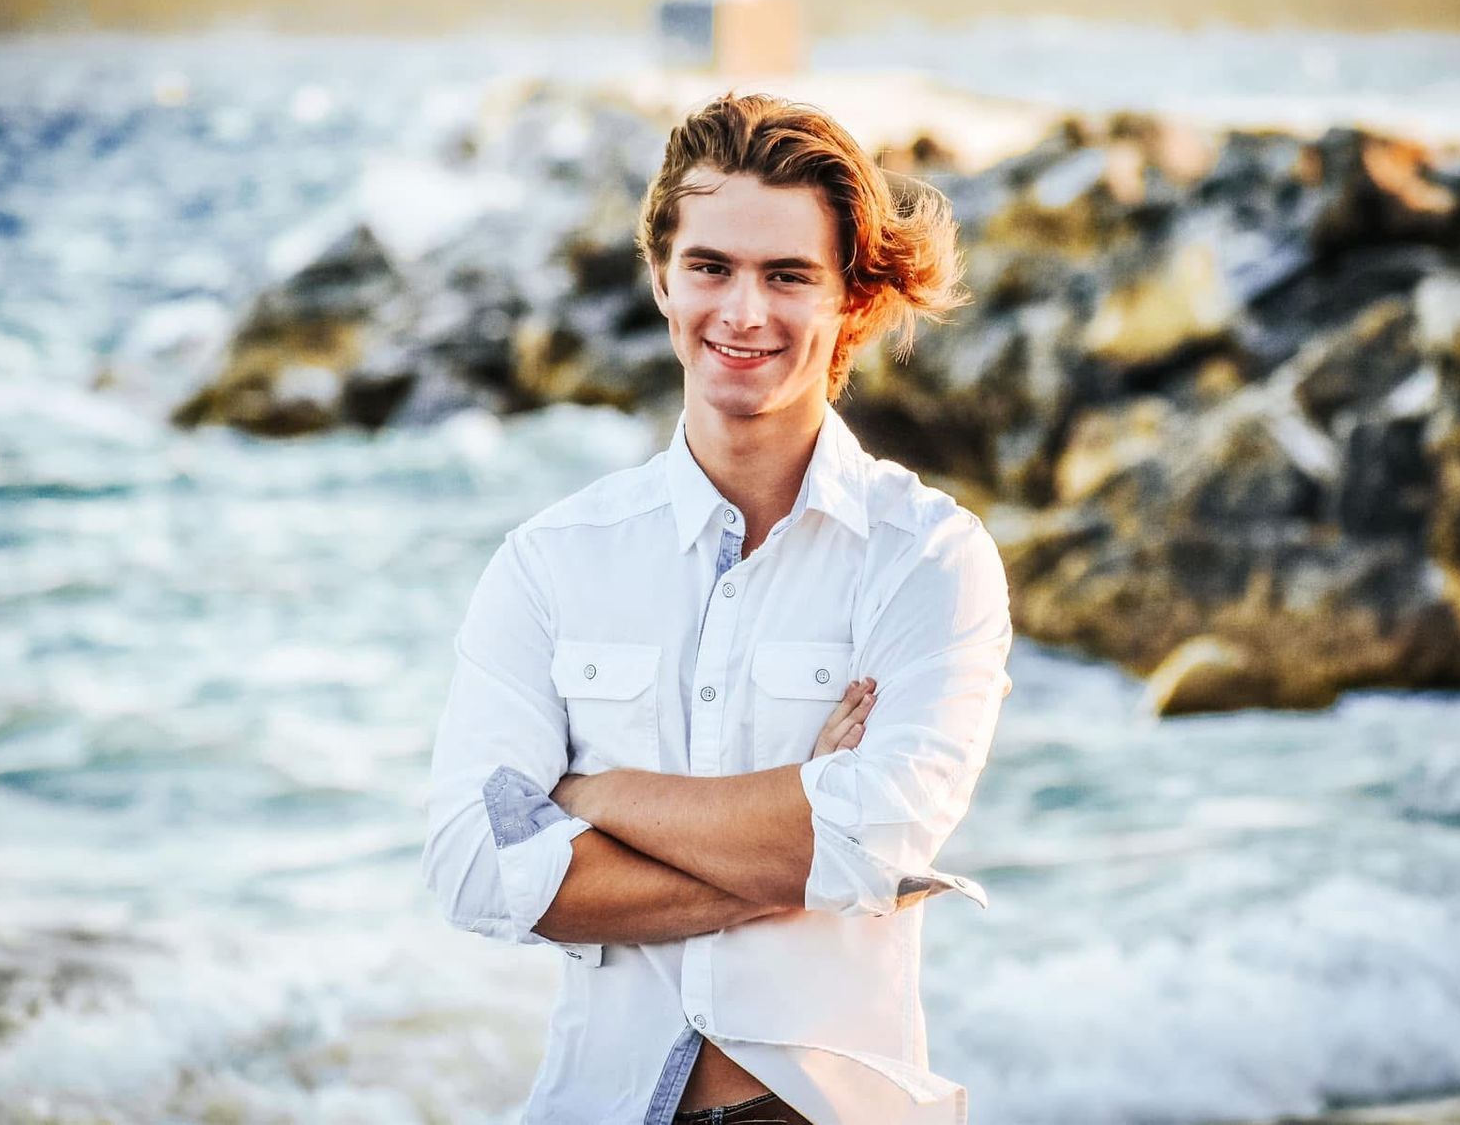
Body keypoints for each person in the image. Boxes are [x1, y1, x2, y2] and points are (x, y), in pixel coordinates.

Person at [420, 92, 1014, 1125]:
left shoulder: (929, 558)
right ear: (661, 277)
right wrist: (796, 834)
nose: (743, 313)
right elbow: (476, 868)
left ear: (852, 302)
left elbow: (871, 843)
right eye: (711, 267)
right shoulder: (551, 563)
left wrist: (589, 795)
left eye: (788, 275)